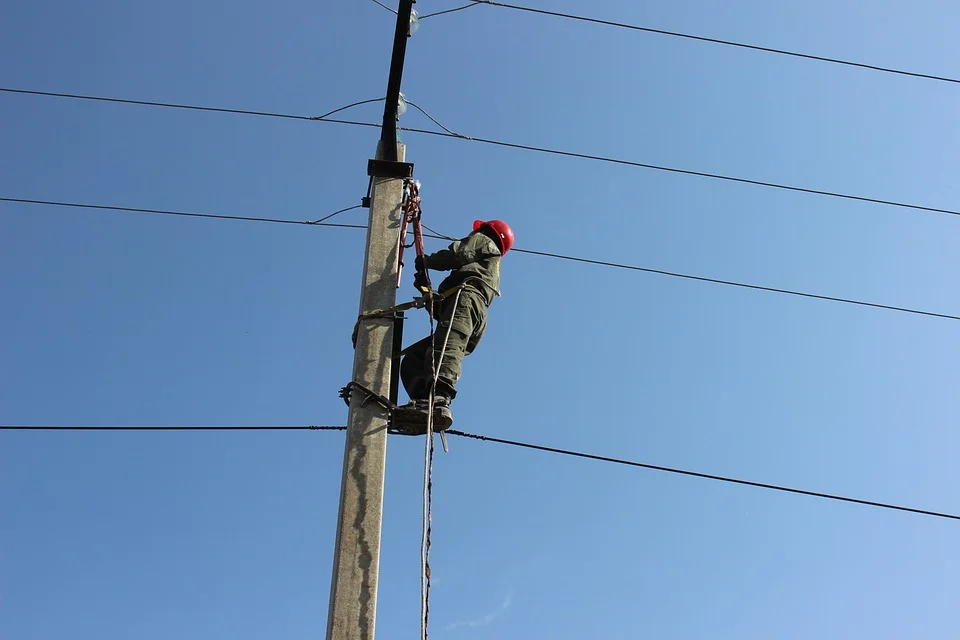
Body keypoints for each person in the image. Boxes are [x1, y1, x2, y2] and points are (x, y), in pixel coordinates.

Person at [395, 219, 515, 431]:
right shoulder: (480, 271)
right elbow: (441, 312)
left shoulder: (486, 240)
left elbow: (458, 254)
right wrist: (425, 289)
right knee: (417, 358)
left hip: (467, 301)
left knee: (446, 348)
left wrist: (426, 261)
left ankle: (439, 400)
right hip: (469, 309)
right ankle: (423, 402)